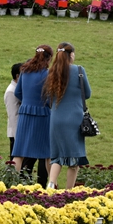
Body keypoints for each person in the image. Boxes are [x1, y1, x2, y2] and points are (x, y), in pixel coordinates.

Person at [43, 42, 91, 189]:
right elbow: (87, 93)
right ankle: (68, 193)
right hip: (74, 119)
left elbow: (47, 98)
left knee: (57, 156)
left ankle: (51, 185)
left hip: (56, 118)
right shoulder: (79, 70)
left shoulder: (52, 72)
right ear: (70, 55)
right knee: (74, 159)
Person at [12, 46, 53, 183]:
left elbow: (17, 92)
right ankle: (52, 186)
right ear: (49, 58)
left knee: (19, 152)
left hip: (25, 114)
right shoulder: (48, 74)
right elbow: (50, 98)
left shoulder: (25, 71)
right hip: (43, 115)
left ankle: (12, 184)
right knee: (48, 153)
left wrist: (27, 103)